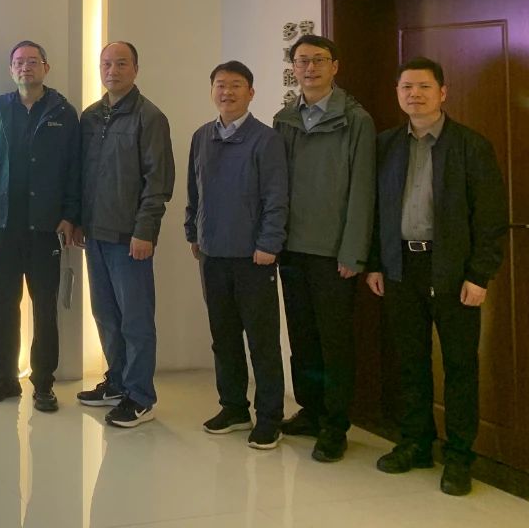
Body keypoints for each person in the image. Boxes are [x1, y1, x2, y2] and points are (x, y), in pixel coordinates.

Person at [367, 57, 508, 496]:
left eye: (424, 86)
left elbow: (490, 218)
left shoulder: (470, 146)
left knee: (460, 366)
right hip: (400, 268)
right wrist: (376, 263)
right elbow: (376, 210)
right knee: (411, 362)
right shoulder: (385, 145)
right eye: (406, 87)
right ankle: (416, 443)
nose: (415, 94)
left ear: (443, 92)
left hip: (453, 270)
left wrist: (480, 275)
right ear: (398, 93)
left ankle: (460, 457)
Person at [272, 34, 375, 463]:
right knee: (303, 339)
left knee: (335, 342)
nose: (310, 68)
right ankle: (311, 410)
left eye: (318, 60)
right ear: (293, 68)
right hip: (292, 249)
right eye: (302, 61)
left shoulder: (356, 120)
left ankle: (335, 424)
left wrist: (353, 252)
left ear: (335, 66)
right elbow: (275, 187)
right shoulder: (284, 119)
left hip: (334, 254)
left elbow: (363, 190)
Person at [0, 40, 79, 412]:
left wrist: (70, 214)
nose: (25, 67)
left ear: (46, 67)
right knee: (4, 303)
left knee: (45, 306)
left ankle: (43, 383)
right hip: (5, 224)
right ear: (11, 69)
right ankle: (5, 378)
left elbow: (74, 169)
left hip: (46, 226)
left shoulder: (63, 112)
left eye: (33, 61)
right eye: (19, 62)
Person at [185, 61, 288, 450]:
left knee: (262, 340)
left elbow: (276, 196)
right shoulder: (202, 136)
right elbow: (194, 191)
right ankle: (233, 408)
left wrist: (268, 244)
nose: (227, 92)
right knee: (223, 337)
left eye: (236, 85)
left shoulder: (266, 139)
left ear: (251, 93)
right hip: (212, 254)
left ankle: (270, 417)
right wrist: (193, 232)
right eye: (220, 85)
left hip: (253, 257)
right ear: (212, 90)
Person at [76, 41, 174, 427]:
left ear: (135, 69)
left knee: (136, 320)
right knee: (105, 315)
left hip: (130, 238)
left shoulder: (150, 117)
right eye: (106, 64)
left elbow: (158, 181)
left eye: (121, 64)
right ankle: (116, 382)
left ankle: (140, 396)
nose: (112, 71)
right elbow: (82, 175)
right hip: (95, 234)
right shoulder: (90, 116)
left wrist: (145, 230)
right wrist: (78, 220)